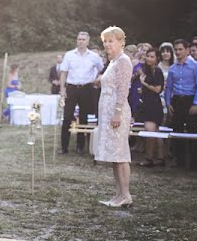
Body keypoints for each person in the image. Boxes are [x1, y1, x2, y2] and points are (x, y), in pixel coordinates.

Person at [94, 27, 133, 207]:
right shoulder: (113, 62)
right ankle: (118, 195)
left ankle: (125, 195)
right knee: (114, 156)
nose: (107, 45)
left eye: (111, 41)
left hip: (117, 112)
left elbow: (123, 89)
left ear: (120, 42)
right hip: (108, 112)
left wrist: (117, 112)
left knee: (121, 154)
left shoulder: (124, 61)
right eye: (105, 42)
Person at [59, 32, 104, 154]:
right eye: (79, 39)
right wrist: (62, 90)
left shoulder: (94, 56)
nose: (81, 41)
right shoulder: (69, 55)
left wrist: (97, 80)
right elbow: (63, 72)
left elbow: (103, 69)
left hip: (87, 88)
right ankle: (64, 146)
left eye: (83, 39)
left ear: (88, 41)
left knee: (83, 117)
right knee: (67, 116)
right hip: (72, 87)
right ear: (76, 40)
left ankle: (80, 146)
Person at [164, 39, 197, 168]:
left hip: (190, 99)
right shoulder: (172, 68)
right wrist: (168, 102)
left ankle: (194, 162)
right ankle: (180, 161)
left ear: (187, 50)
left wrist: (195, 103)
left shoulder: (196, 66)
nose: (177, 52)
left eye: (180, 49)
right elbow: (168, 87)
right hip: (177, 100)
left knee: (193, 130)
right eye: (176, 50)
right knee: (177, 130)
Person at [135, 49, 165, 167]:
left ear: (157, 58)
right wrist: (143, 90)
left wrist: (144, 83)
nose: (149, 59)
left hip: (153, 105)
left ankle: (149, 158)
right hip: (147, 102)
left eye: (152, 57)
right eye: (148, 56)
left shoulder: (157, 71)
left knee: (150, 131)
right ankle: (161, 158)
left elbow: (158, 89)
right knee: (155, 131)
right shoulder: (147, 71)